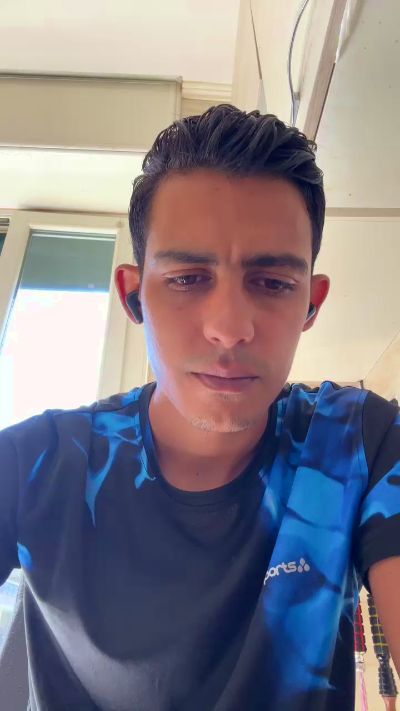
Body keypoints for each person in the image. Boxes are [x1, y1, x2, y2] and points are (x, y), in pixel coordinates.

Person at [0, 104, 399, 711]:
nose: (230, 328)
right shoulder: (33, 463)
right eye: (188, 278)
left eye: (273, 283)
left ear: (311, 304)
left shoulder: (358, 441)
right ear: (134, 296)